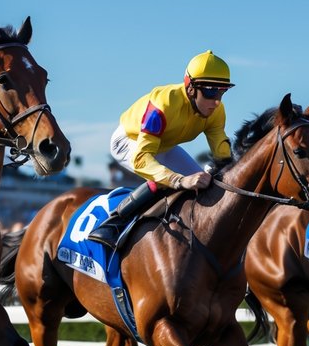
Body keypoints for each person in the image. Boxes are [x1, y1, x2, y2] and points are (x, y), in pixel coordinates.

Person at [86, 50, 234, 248]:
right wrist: (179, 180)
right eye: (210, 91)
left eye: (222, 91)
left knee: (205, 186)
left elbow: (222, 154)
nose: (216, 101)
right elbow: (142, 158)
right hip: (130, 141)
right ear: (191, 88)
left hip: (165, 146)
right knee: (166, 181)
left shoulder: (216, 111)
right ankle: (113, 223)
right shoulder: (163, 105)